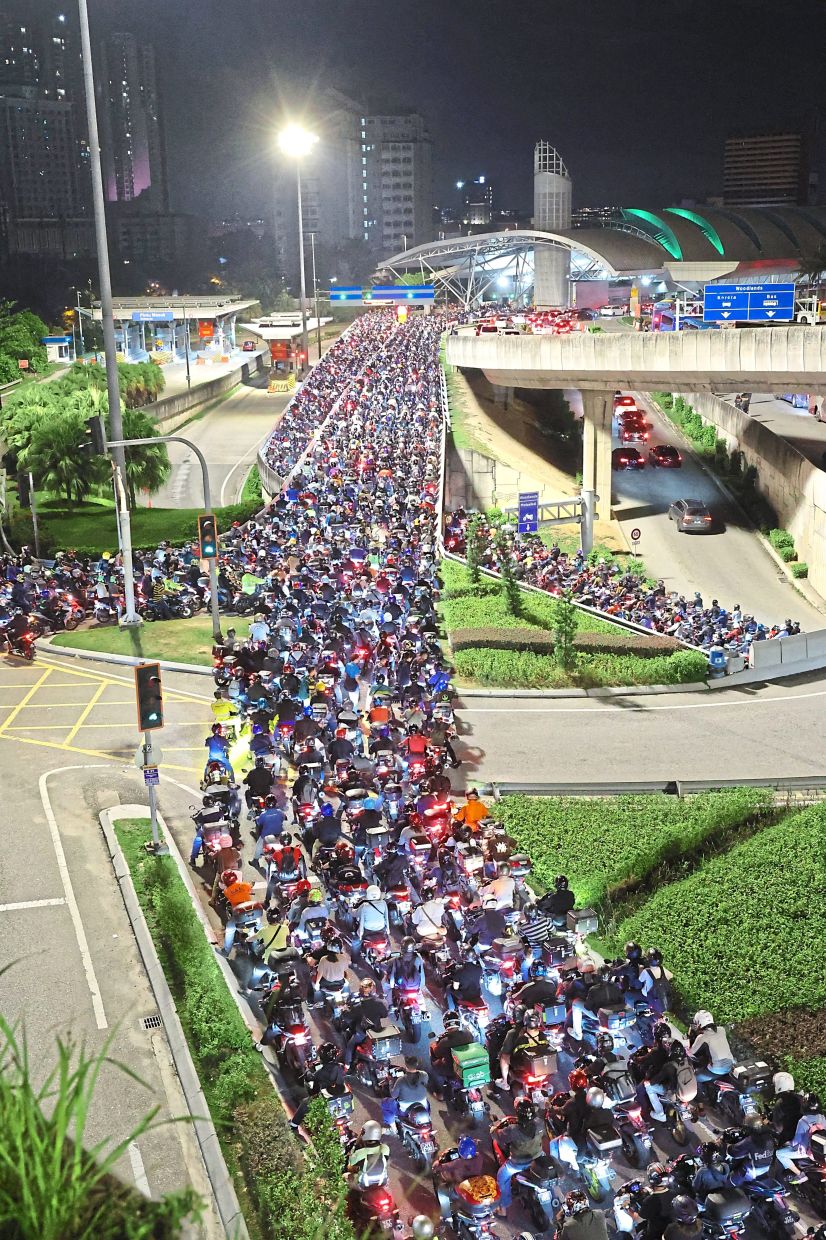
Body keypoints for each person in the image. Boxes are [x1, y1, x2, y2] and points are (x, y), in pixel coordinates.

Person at [494, 1098, 544, 1215]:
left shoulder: (513, 1130)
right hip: (538, 1158)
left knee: (502, 1177)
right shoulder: (539, 1123)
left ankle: (503, 1208)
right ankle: (559, 1194)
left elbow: (499, 1136)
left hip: (518, 1164)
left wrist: (494, 1129)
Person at [289, 1041, 348, 1132]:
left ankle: (293, 1125)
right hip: (340, 1099)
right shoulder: (339, 1067)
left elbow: (310, 1077)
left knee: (305, 1103)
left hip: (328, 1098)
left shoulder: (322, 1072)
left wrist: (307, 1068)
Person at [432, 1135, 485, 1221]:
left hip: (461, 1189)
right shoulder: (479, 1157)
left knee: (441, 1190)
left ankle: (446, 1216)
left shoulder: (458, 1162)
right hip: (475, 1185)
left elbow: (443, 1167)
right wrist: (473, 1143)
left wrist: (436, 1165)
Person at [342, 978, 389, 1069]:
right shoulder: (380, 1003)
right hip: (377, 1031)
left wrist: (344, 1011)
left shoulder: (359, 1006)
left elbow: (347, 1017)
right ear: (374, 990)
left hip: (362, 1032)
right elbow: (384, 1015)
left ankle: (347, 1066)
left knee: (350, 1046)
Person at [429, 1011, 474, 1094]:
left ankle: (439, 1093)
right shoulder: (468, 1034)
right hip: (469, 1065)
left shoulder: (444, 1042)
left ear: (445, 1024)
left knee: (434, 1060)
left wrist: (433, 1045)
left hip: (451, 1070)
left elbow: (437, 1054)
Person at [687, 1010, 733, 1081]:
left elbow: (690, 1052)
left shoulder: (702, 1037)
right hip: (730, 1064)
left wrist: (687, 1045)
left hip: (717, 1069)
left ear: (699, 1024)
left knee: (694, 1078)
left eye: (696, 1023)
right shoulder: (722, 1030)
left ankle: (699, 1091)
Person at [353, 884, 390, 955]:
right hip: (381, 929)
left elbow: (356, 914)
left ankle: (354, 961)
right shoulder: (383, 903)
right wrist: (388, 930)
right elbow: (386, 918)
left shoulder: (364, 906)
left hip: (367, 931)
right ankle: (388, 954)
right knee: (386, 940)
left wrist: (350, 910)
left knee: (355, 942)